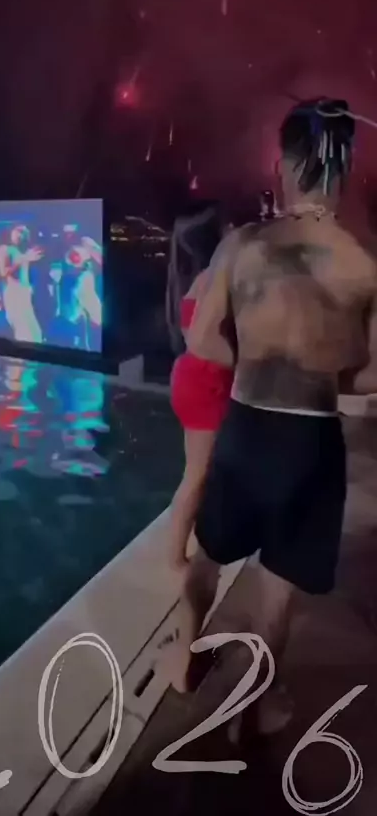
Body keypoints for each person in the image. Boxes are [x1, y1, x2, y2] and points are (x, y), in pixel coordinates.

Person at [175, 98, 377, 730]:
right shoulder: (365, 263)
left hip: (246, 427)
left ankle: (183, 657)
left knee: (208, 555)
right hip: (311, 441)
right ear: (344, 171)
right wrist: (322, 373)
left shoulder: (244, 245)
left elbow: (201, 337)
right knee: (280, 583)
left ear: (283, 165)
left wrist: (258, 363)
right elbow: (375, 374)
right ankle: (256, 701)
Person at [165, 206, 234, 585]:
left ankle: (191, 544)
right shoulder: (212, 279)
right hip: (205, 383)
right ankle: (176, 557)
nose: (235, 229)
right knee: (197, 474)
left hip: (195, 379)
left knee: (200, 471)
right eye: (228, 226)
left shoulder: (196, 279)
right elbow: (202, 340)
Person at [0, 225, 44, 343]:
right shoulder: (4, 249)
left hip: (25, 293)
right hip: (14, 293)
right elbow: (3, 272)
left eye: (24, 233)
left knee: (35, 332)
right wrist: (24, 259)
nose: (21, 235)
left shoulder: (24, 251)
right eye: (18, 231)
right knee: (23, 331)